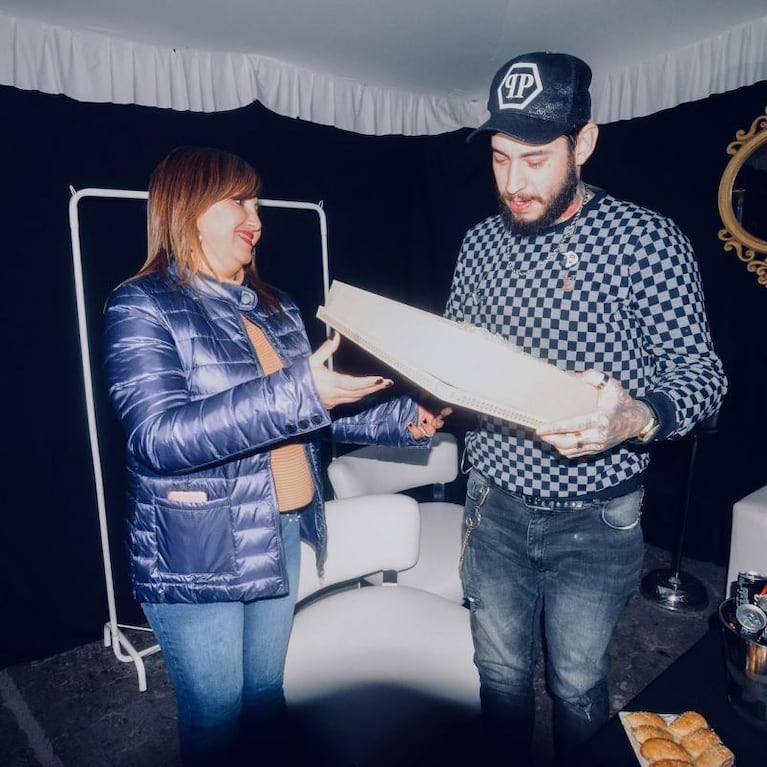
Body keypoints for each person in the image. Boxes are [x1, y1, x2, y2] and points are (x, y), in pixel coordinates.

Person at [102, 146, 449, 766]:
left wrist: (406, 417)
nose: (255, 217)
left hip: (282, 529)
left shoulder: (278, 306)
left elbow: (316, 412)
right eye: (236, 200)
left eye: (256, 201)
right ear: (186, 208)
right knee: (215, 717)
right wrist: (298, 391)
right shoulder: (142, 304)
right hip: (197, 548)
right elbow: (157, 437)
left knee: (265, 698)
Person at [447, 52, 727, 763]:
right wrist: (431, 385)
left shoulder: (645, 240)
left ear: (584, 142)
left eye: (535, 159)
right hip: (493, 504)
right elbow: (455, 359)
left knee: (576, 685)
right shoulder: (479, 245)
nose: (513, 182)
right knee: (500, 677)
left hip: (596, 518)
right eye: (501, 158)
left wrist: (630, 417)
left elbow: (702, 377)